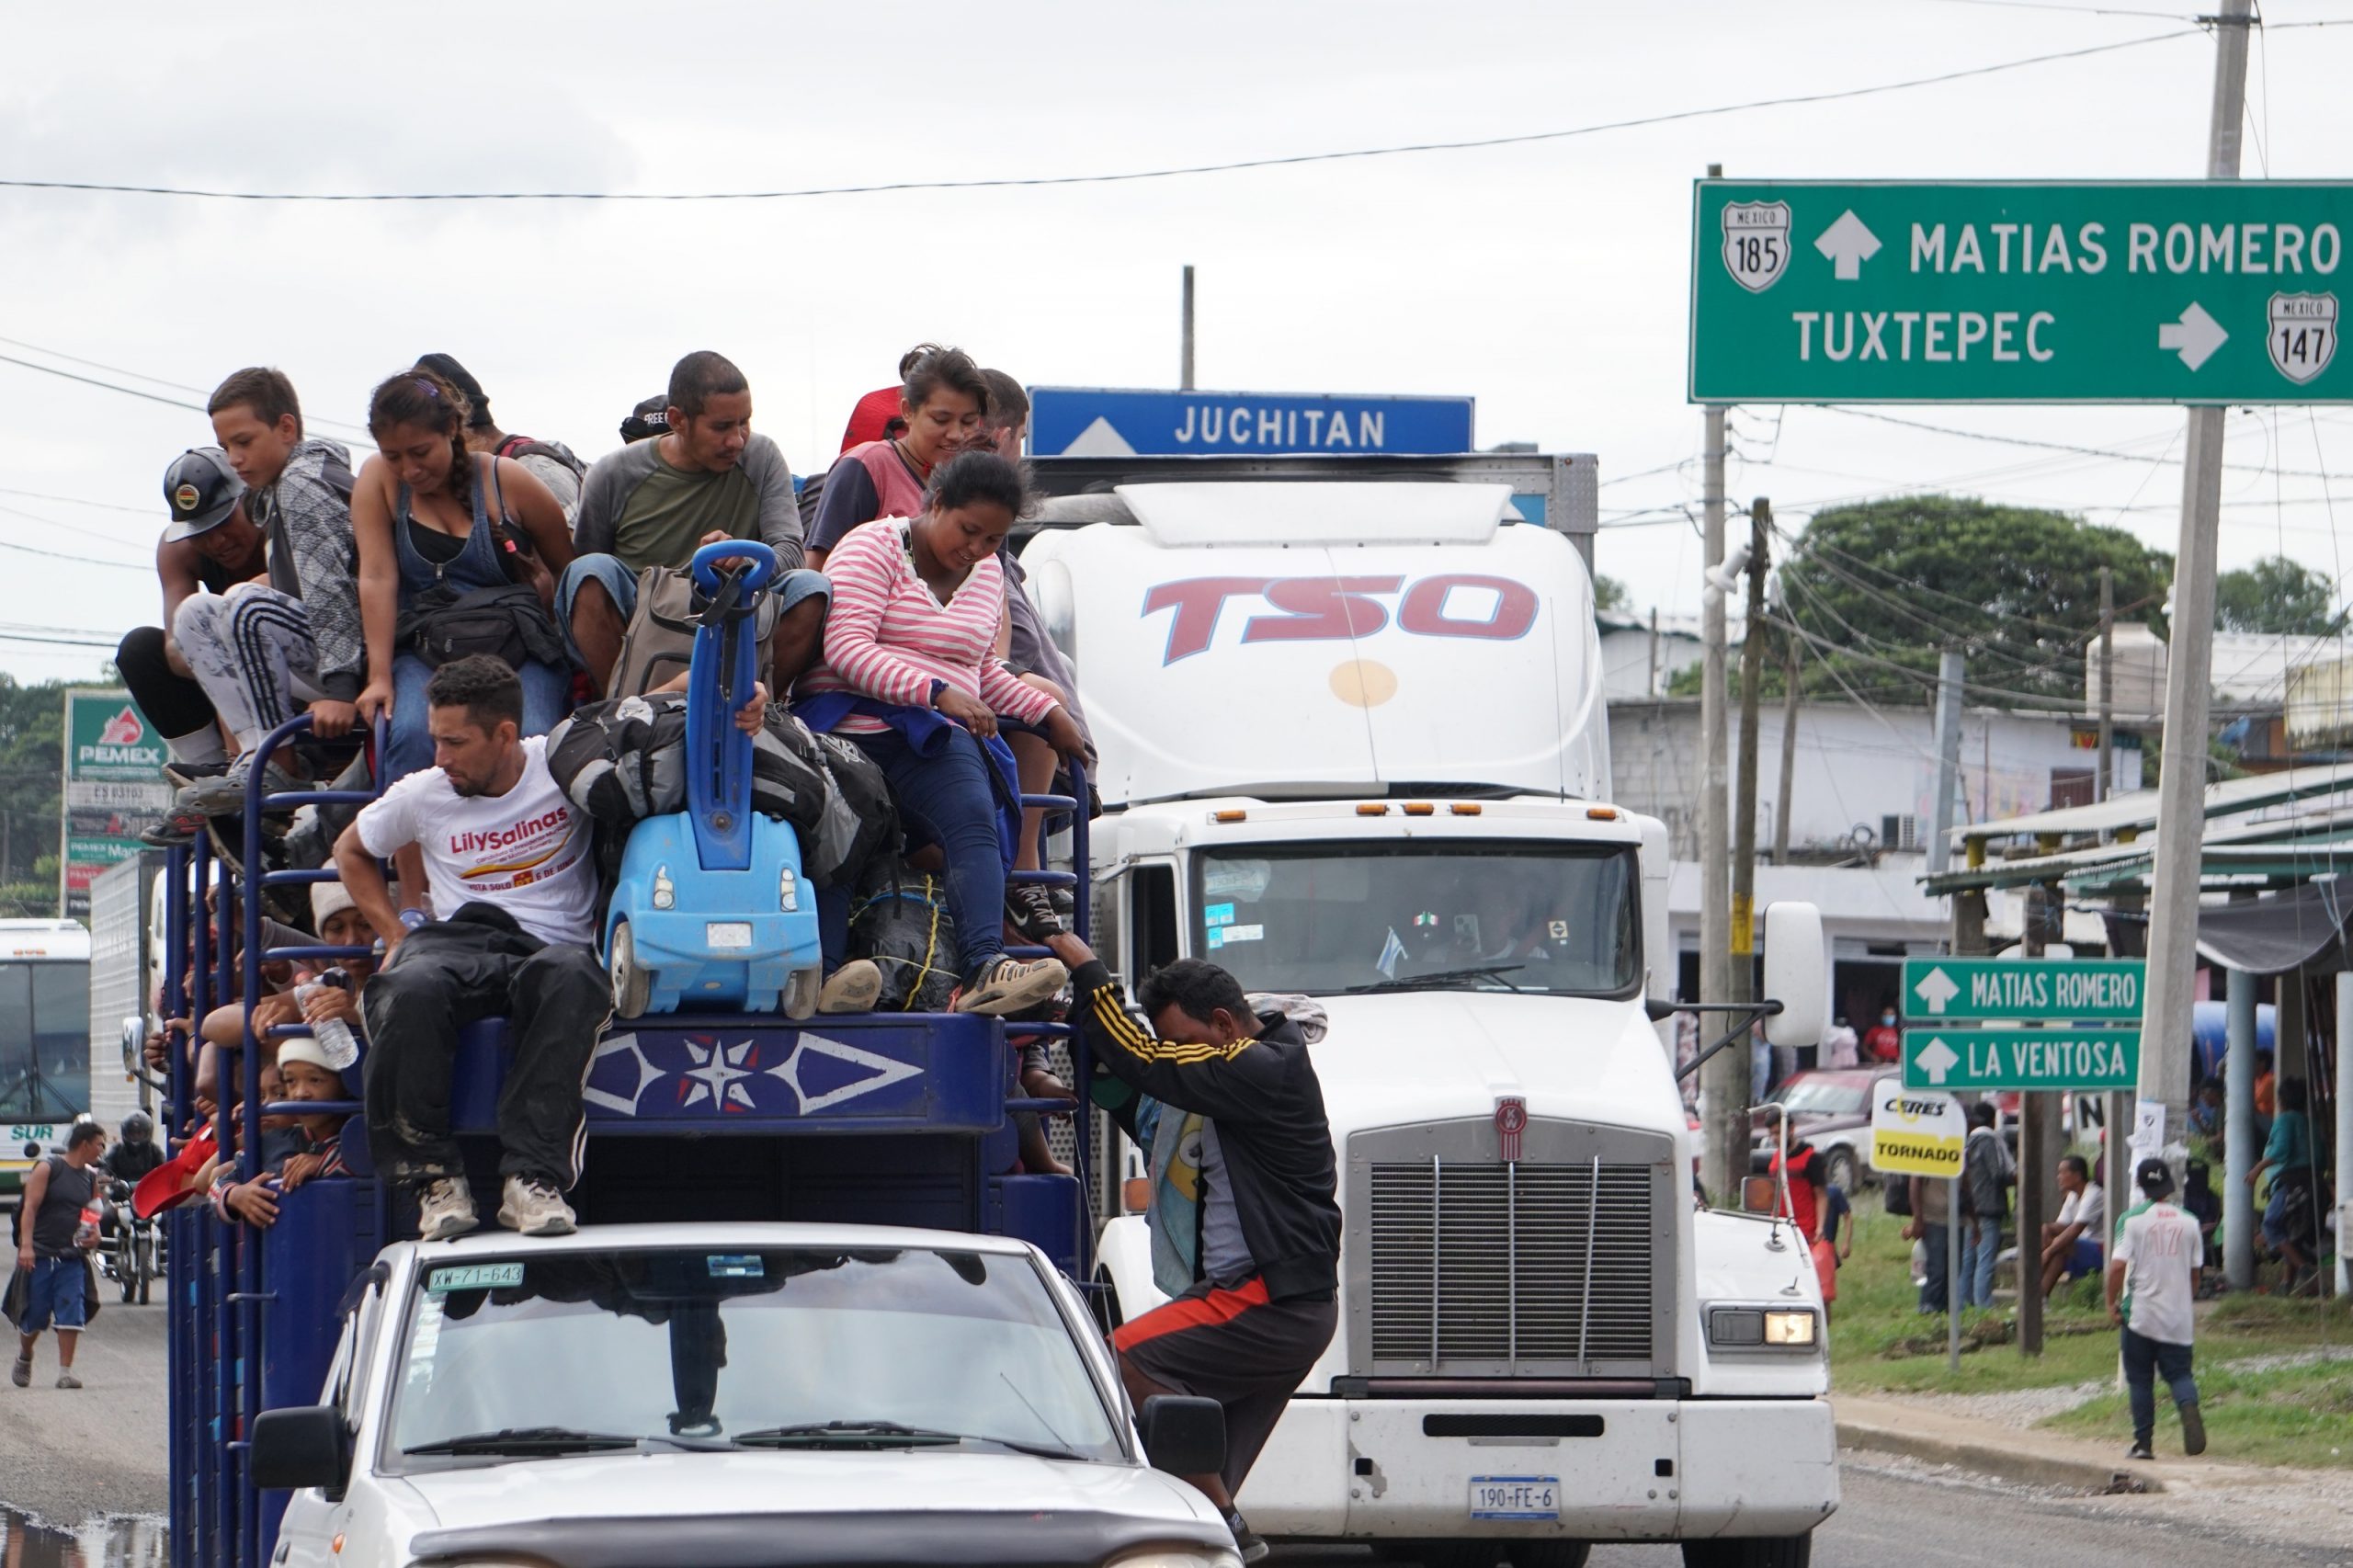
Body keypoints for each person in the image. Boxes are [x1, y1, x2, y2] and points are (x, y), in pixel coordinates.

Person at [1045, 932, 1339, 1565]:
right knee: (1184, 1485)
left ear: (1226, 1024)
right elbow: (1145, 1101)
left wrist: (1085, 968)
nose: (1178, 1059)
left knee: (1114, 1362)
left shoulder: (1261, 1067)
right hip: (1280, 1302)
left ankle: (1234, 1528)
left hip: (1272, 1299)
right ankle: (1221, 1532)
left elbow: (1149, 1065)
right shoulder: (1239, 1077)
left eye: (1184, 1041)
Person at [797, 451, 1085, 1015]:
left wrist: (1049, 715)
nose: (977, 549)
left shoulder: (988, 571)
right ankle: (826, 975)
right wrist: (934, 692)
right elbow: (847, 650)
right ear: (934, 504)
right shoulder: (869, 546)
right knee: (841, 832)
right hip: (852, 727)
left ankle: (984, 967)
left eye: (993, 539)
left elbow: (979, 673)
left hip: (931, 734)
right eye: (969, 530)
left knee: (973, 816)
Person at [334, 655, 609, 1241]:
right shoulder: (424, 793)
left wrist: (744, 694)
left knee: (575, 976)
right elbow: (350, 851)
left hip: (549, 947)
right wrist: (394, 933)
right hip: (460, 940)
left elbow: (667, 696)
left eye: (455, 742)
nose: (441, 758)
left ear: (506, 734)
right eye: (436, 740)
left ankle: (533, 1181)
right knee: (404, 986)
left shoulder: (561, 761)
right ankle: (433, 1181)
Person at [351, 367, 576, 783]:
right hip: (425, 649)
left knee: (530, 740)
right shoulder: (379, 482)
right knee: (413, 735)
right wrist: (379, 675)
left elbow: (570, 569)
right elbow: (377, 577)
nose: (409, 470)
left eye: (420, 452)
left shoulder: (505, 480)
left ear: (453, 428)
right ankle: (415, 848)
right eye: (393, 456)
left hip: (519, 646)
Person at [560, 351, 829, 699]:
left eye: (744, 422)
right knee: (588, 572)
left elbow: (791, 552)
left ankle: (761, 710)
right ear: (677, 420)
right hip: (643, 620)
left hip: (735, 610)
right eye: (721, 427)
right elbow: (585, 577)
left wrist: (745, 561)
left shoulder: (761, 456)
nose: (737, 440)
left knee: (810, 587)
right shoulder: (613, 473)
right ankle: (621, 711)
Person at [165, 369, 363, 816]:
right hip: (325, 650)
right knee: (195, 613)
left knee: (246, 606)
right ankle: (255, 755)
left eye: (244, 441)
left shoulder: (302, 484)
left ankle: (281, 763)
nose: (234, 459)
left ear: (286, 428)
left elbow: (331, 591)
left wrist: (341, 689)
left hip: (357, 654)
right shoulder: (275, 488)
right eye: (227, 446)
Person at [122, 449, 268, 782]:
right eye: (201, 532)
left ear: (248, 498)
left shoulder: (279, 522)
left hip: (296, 670)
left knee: (238, 614)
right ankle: (210, 772)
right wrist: (217, 658)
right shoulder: (178, 550)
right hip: (228, 689)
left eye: (224, 522)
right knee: (140, 649)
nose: (217, 541)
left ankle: (249, 764)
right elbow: (176, 651)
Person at [805, 345, 990, 569]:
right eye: (941, 420)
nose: (956, 435)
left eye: (969, 421)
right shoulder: (865, 468)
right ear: (908, 411)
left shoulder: (983, 482)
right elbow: (817, 571)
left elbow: (996, 579)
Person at [2108, 1156, 2206, 1460]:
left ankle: (2144, 1443)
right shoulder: (2190, 1221)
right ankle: (2188, 1405)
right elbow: (2195, 1273)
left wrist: (2110, 1302)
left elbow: (2117, 1268)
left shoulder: (2130, 1220)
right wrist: (2185, 1301)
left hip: (2141, 1314)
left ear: (2139, 1185)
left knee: (2139, 1378)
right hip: (2177, 1316)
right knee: (2179, 1374)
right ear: (2168, 1184)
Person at [413, 353, 588, 522]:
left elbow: (578, 551)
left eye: (422, 450)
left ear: (455, 429)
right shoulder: (476, 481)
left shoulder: (537, 469)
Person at [212, 1040, 350, 1230]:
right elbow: (216, 1187)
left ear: (345, 1085)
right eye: (291, 1081)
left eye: (315, 1080)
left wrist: (322, 1163)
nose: (301, 1093)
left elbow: (368, 1166)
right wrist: (235, 1195)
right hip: (280, 1253)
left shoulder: (356, 1141)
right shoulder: (272, 1141)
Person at [11, 1121, 107, 1389]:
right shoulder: (48, 1168)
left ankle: (65, 1372)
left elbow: (92, 1210)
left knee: (71, 1312)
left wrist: (94, 1233)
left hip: (71, 1258)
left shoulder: (89, 1176)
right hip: (40, 1255)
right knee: (34, 1317)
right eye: (99, 1144)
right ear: (84, 1144)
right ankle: (25, 1354)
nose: (102, 1150)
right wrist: (26, 1246)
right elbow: (29, 1208)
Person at [2251, 1074, 2318, 1290]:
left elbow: (2281, 1150)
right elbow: (2322, 1156)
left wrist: (2257, 1169)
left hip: (2290, 1183)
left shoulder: (2285, 1120)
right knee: (2289, 1233)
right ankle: (2286, 1284)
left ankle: (2304, 1268)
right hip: (2311, 1183)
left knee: (2271, 1225)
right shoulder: (2310, 1123)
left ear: (2281, 1100)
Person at [1960, 1102, 2013, 1309]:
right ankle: (1983, 1306)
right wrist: (2015, 1178)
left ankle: (1963, 1305)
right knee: (1985, 1260)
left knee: (1968, 1262)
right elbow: (1998, 1174)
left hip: (1970, 1209)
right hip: (1988, 1209)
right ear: (1992, 1121)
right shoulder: (1989, 1140)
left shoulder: (1968, 1143)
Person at [2039, 1153, 2106, 1299]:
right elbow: (2062, 1225)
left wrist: (2048, 1251)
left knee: (2060, 1247)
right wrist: (2046, 1229)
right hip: (2082, 1247)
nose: (2059, 1177)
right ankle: (2038, 1298)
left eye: (2063, 1172)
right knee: (2052, 1239)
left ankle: (2039, 1297)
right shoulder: (2072, 1195)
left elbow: (2075, 1230)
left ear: (2077, 1176)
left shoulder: (2093, 1194)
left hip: (2101, 1249)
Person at [1904, 1167, 1951, 1314]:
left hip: (1955, 1217)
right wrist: (1918, 1219)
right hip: (1933, 1218)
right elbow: (1915, 1181)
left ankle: (1942, 1309)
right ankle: (1928, 1308)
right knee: (1936, 1269)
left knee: (1949, 1270)